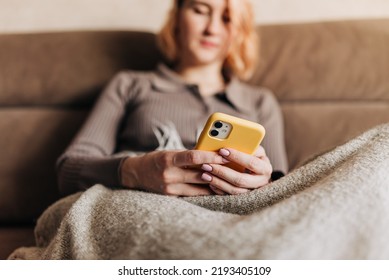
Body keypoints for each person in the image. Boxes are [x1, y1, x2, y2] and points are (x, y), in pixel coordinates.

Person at [56, 0, 288, 197]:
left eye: (227, 18)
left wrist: (262, 183)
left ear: (240, 30)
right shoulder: (130, 85)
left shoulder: (260, 102)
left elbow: (284, 193)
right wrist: (134, 170)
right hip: (139, 207)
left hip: (231, 217)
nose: (212, 29)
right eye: (200, 10)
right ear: (177, 17)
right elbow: (68, 172)